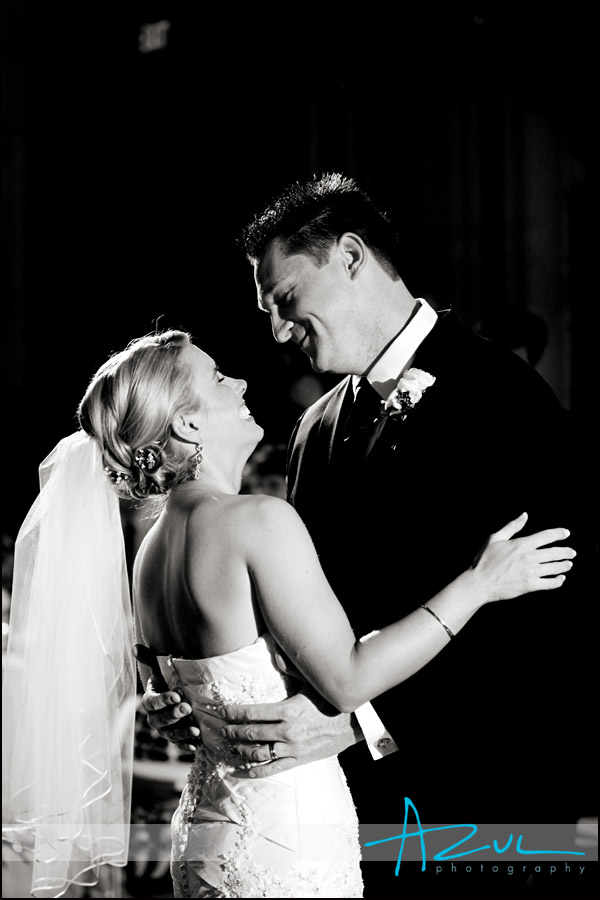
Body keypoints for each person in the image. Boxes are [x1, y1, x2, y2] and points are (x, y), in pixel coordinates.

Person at [2, 330, 575, 900]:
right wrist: (478, 585)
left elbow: (168, 685)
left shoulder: (150, 551)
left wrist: (167, 702)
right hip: (284, 840)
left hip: (204, 833)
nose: (244, 381)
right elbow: (347, 678)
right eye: (219, 378)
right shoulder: (257, 521)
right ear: (188, 424)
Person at [143, 174, 595, 898]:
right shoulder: (313, 427)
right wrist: (207, 693)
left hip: (484, 804)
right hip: (347, 824)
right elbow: (311, 613)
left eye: (286, 300)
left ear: (350, 255)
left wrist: (363, 722)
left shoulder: (502, 395)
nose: (277, 331)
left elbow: (552, 617)